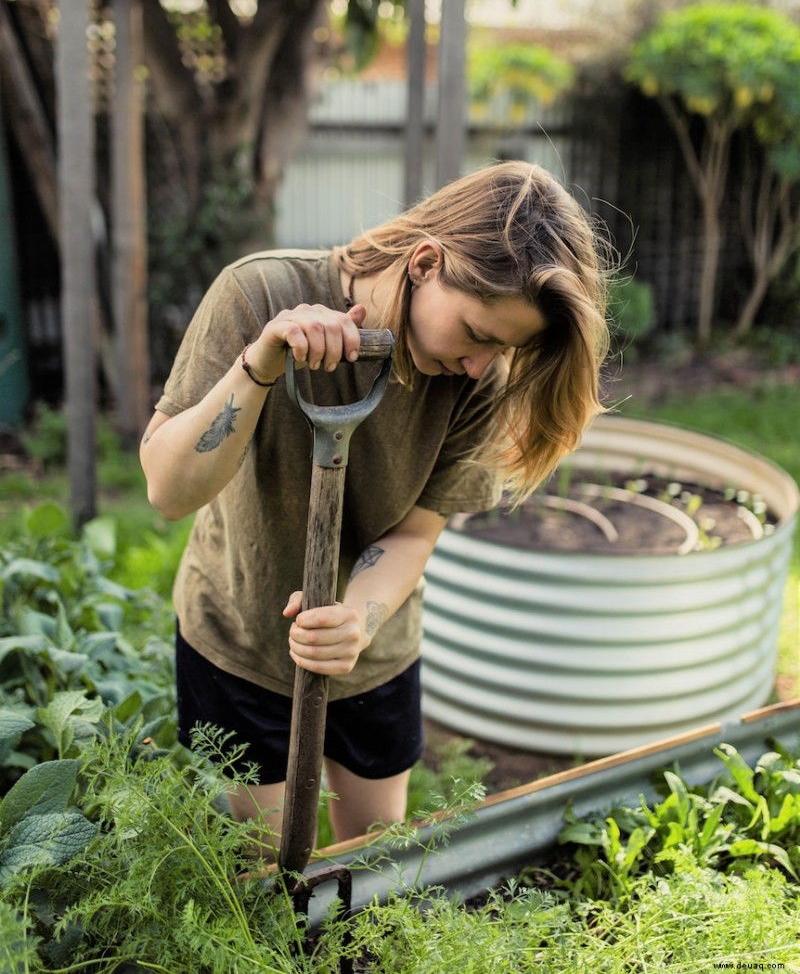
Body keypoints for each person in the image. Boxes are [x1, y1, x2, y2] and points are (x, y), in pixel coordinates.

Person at [140, 160, 613, 850]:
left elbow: (417, 531)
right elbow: (167, 491)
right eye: (479, 333)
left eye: (505, 347)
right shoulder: (260, 291)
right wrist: (261, 364)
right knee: (256, 871)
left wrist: (355, 621)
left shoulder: (480, 379)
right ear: (425, 262)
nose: (484, 363)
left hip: (373, 648)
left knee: (376, 857)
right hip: (238, 638)